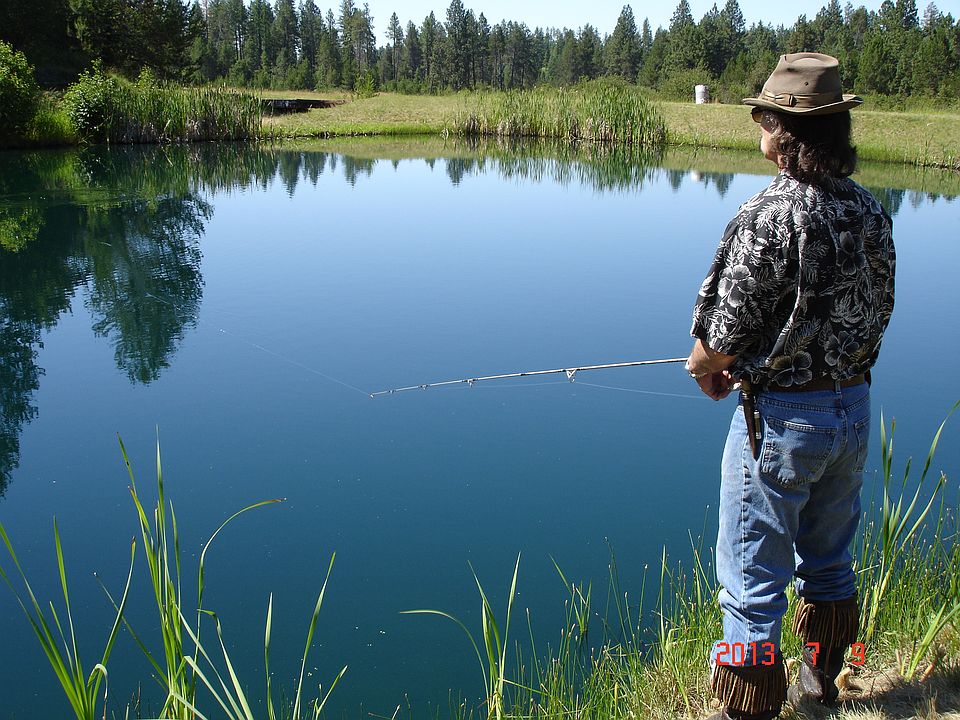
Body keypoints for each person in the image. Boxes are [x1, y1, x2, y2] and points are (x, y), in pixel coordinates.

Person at [685, 53, 896, 720]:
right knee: (829, 562)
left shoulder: (768, 215)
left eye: (763, 118)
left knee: (750, 584)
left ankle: (747, 711)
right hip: (854, 409)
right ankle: (820, 686)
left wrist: (705, 368)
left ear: (783, 131)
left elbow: (721, 337)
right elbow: (879, 306)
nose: (759, 127)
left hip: (780, 423)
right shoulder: (869, 210)